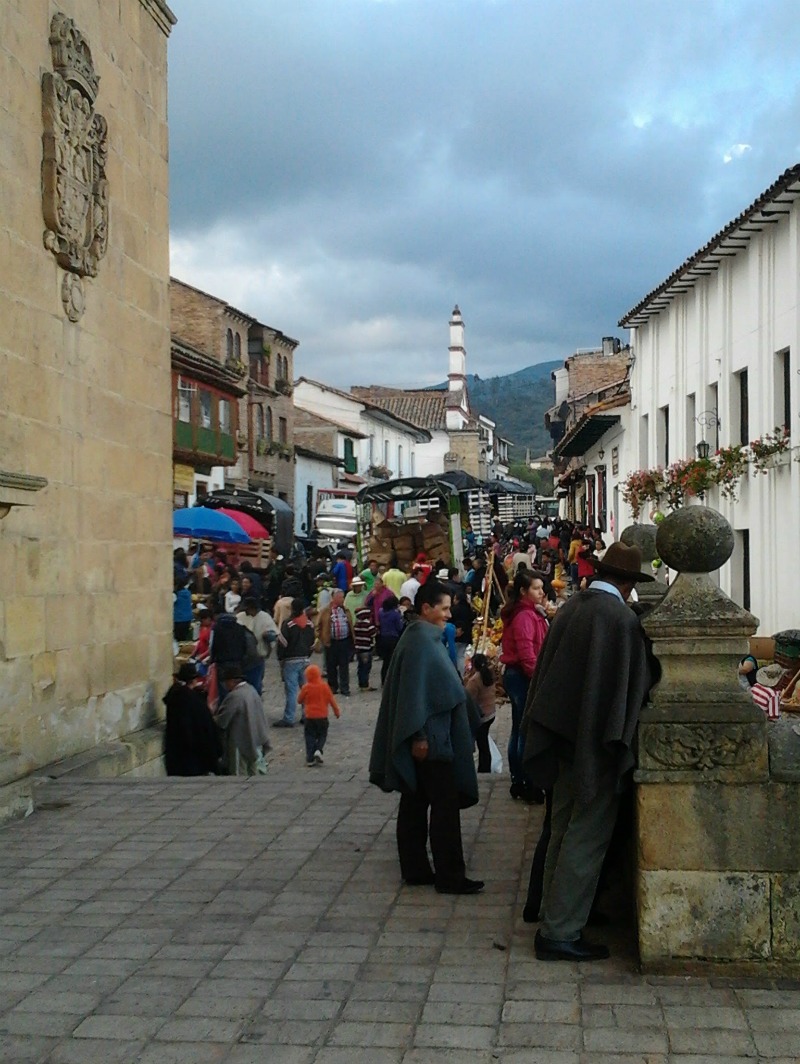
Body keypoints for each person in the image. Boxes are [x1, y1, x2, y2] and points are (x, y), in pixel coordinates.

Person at [521, 541, 655, 962]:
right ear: (630, 582)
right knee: (587, 834)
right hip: (593, 744)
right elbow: (635, 683)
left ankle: (552, 911)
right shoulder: (618, 619)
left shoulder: (574, 606)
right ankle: (560, 930)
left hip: (561, 735)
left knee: (561, 825)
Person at [369, 579, 484, 895]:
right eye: (444, 608)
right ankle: (450, 876)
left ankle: (416, 868)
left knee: (415, 800)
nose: (449, 615)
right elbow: (413, 695)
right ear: (426, 608)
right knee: (443, 806)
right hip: (430, 740)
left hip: (429, 737)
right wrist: (418, 736)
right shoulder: (421, 642)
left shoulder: (422, 638)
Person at [500, 570, 549, 803]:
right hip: (522, 676)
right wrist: (536, 679)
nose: (541, 592)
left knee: (518, 729)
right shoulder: (524, 617)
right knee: (523, 732)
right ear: (523, 591)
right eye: (536, 588)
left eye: (541, 588)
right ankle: (525, 781)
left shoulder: (529, 613)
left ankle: (518, 780)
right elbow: (527, 655)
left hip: (519, 675)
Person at [163, 662, 221, 776]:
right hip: (194, 755)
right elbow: (205, 728)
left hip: (175, 752)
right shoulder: (195, 701)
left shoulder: (174, 697)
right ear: (194, 680)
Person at [214, 664, 271, 775]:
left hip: (240, 741)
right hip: (256, 738)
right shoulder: (252, 690)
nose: (225, 685)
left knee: (239, 773)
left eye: (226, 682)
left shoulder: (235, 696)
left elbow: (222, 721)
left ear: (232, 681)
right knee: (254, 772)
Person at [275, 598, 315, 727]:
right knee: (305, 689)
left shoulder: (288, 624)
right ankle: (306, 715)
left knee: (291, 690)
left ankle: (289, 717)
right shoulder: (309, 624)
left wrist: (280, 658)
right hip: (305, 659)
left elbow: (283, 643)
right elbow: (312, 642)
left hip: (291, 660)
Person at [298, 664, 341, 766]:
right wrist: (336, 711)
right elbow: (332, 700)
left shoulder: (306, 687)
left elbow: (299, 700)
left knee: (309, 736)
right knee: (322, 735)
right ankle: (318, 749)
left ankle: (310, 758)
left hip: (309, 717)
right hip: (322, 716)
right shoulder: (324, 686)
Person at [316, 588, 354, 697]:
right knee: (331, 665)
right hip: (331, 642)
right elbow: (318, 625)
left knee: (344, 665)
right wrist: (321, 638)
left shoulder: (345, 610)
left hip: (344, 641)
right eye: (341, 597)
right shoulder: (325, 611)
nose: (342, 599)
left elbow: (349, 623)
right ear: (334, 598)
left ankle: (345, 687)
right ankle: (332, 687)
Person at [237, 597, 278, 693]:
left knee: (257, 681)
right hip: (243, 656)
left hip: (259, 654)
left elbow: (274, 634)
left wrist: (268, 635)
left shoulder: (265, 617)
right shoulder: (240, 617)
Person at [465, 653, 496, 774]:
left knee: (481, 744)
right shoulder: (489, 675)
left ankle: (484, 768)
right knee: (483, 743)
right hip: (491, 713)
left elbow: (468, 699)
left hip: (481, 716)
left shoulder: (474, 680)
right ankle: (485, 766)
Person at [378, 594, 404, 685]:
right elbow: (399, 627)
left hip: (383, 637)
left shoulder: (381, 612)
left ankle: (383, 679)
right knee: (393, 660)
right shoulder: (395, 614)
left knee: (385, 661)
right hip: (393, 638)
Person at [353, 606, 377, 692]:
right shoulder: (368, 625)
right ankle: (365, 685)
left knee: (360, 667)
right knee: (366, 667)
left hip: (358, 649)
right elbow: (373, 634)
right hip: (366, 649)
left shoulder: (356, 625)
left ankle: (361, 683)